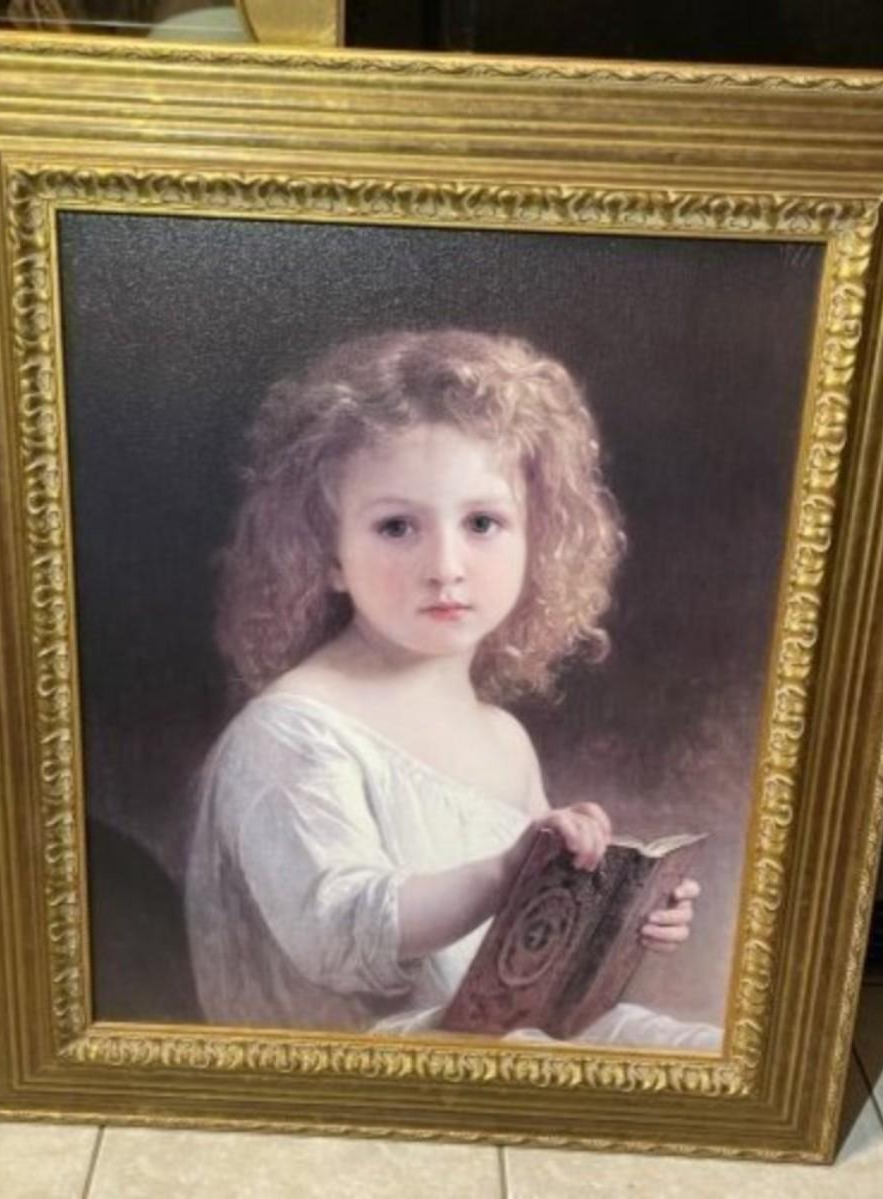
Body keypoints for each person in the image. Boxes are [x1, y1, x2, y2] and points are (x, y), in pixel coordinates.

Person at [184, 329, 720, 1049]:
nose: (445, 565)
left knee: (696, 1051)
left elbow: (534, 942)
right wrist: (503, 873)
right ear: (329, 553)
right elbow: (336, 934)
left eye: (482, 523)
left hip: (509, 1034)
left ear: (536, 540)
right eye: (396, 526)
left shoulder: (502, 737)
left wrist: (622, 912)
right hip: (374, 1064)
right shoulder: (291, 730)